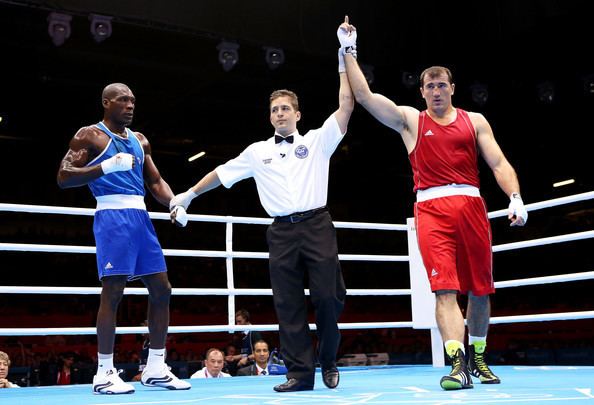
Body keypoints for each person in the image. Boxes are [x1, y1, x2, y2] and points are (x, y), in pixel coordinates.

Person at [337, 18, 528, 391]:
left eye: (442, 85)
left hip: (472, 205)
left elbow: (499, 163)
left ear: (452, 88)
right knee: (444, 290)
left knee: (480, 290)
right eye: (430, 86)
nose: (436, 91)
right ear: (422, 91)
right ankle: (458, 365)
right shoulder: (411, 120)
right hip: (432, 209)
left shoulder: (475, 121)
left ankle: (479, 358)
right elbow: (365, 98)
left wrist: (516, 197)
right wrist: (350, 50)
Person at [170, 45, 354, 392]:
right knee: (287, 306)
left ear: (298, 114)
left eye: (286, 108)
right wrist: (188, 195)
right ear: (270, 117)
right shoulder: (257, 152)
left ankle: (328, 359)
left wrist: (345, 56)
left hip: (316, 225)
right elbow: (221, 173)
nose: (280, 113)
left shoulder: (317, 141)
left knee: (329, 298)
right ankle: (300, 374)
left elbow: (346, 105)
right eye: (275, 109)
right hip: (281, 232)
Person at [57, 83, 191, 394]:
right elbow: (63, 176)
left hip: (140, 216)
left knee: (162, 288)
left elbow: (155, 180)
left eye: (133, 100)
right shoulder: (88, 135)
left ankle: (155, 366)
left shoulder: (139, 140)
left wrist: (174, 202)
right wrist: (103, 166)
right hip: (112, 216)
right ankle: (104, 372)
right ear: (106, 102)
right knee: (113, 290)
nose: (130, 105)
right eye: (123, 100)